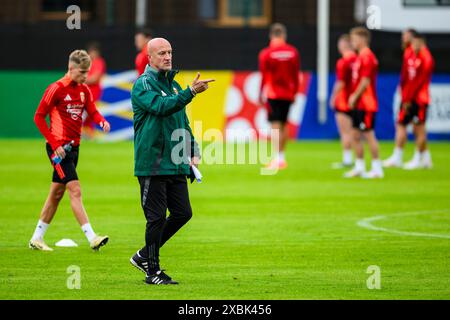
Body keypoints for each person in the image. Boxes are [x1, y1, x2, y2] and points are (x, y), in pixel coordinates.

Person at [129, 38, 214, 285]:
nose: (168, 56)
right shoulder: (142, 85)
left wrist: (192, 148)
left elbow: (182, 123)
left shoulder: (175, 85)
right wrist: (191, 92)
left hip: (175, 162)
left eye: (170, 52)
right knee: (155, 218)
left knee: (182, 213)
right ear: (150, 58)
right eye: (162, 53)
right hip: (152, 163)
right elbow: (161, 107)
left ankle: (144, 255)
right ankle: (152, 271)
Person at [30, 50, 111, 251]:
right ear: (71, 68)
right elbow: (39, 117)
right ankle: (92, 237)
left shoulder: (84, 90)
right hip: (58, 151)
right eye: (82, 72)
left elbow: (91, 110)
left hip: (74, 149)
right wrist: (55, 145)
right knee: (74, 189)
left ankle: (37, 238)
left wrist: (101, 121)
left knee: (56, 193)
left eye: (87, 72)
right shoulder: (55, 89)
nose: (85, 76)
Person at [383, 31, 434, 169]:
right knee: (401, 124)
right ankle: (402, 156)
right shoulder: (409, 53)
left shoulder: (426, 58)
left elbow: (420, 82)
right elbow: (405, 76)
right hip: (407, 98)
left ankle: (418, 158)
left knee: (419, 129)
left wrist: (408, 99)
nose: (404, 39)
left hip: (419, 99)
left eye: (406, 36)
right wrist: (402, 92)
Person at [258, 23, 300, 170]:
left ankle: (277, 159)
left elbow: (264, 76)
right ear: (284, 35)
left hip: (273, 93)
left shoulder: (266, 53)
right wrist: (295, 92)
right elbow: (295, 75)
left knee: (275, 125)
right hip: (288, 93)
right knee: (284, 123)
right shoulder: (293, 52)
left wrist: (260, 93)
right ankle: (282, 158)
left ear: (271, 35)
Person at [344, 27, 384, 179]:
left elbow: (365, 81)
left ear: (363, 39)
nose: (352, 42)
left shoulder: (367, 57)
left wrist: (354, 96)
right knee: (354, 134)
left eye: (354, 39)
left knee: (368, 135)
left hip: (367, 103)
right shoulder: (359, 56)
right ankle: (359, 166)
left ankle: (377, 168)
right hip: (359, 103)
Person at [329, 34, 357, 168]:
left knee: (345, 132)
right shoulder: (358, 60)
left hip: (344, 100)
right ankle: (359, 160)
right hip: (357, 100)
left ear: (342, 45)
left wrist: (333, 96)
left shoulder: (343, 62)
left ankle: (347, 159)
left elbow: (340, 82)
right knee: (355, 131)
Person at [83, 42, 107, 139]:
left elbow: (95, 78)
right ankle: (87, 137)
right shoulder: (88, 63)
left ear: (96, 52)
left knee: (85, 116)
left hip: (93, 94)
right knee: (87, 118)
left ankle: (87, 136)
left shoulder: (98, 62)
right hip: (85, 94)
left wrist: (81, 80)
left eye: (92, 52)